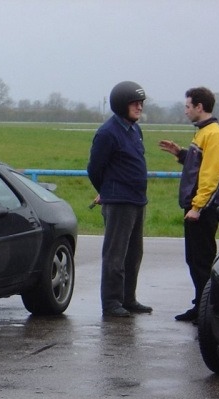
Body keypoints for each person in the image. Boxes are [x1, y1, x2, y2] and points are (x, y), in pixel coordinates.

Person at [159, 87, 219, 323]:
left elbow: (211, 175)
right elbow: (200, 163)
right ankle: (200, 305)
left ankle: (207, 309)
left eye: (188, 106)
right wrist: (180, 154)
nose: (186, 110)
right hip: (196, 208)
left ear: (200, 107)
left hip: (203, 210)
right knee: (194, 259)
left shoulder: (214, 135)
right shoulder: (204, 133)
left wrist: (197, 207)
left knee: (202, 261)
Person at [87, 80, 153, 318]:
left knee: (134, 253)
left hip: (137, 200)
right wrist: (107, 191)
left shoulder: (135, 130)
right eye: (135, 103)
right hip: (118, 202)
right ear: (121, 105)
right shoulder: (107, 133)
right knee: (115, 255)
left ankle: (128, 298)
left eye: (141, 103)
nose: (139, 107)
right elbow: (94, 168)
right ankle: (112, 302)